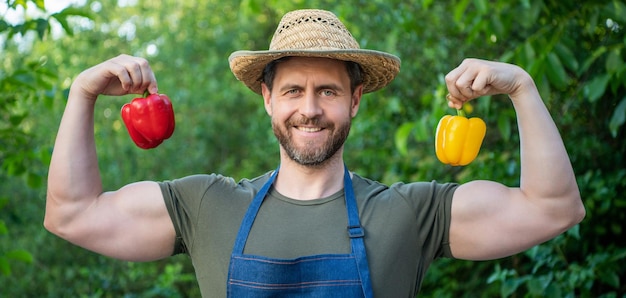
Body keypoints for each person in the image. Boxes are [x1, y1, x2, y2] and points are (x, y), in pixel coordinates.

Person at [45, 9, 585, 297]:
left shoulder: (411, 213)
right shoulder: (206, 205)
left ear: (355, 101)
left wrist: (523, 89)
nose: (310, 109)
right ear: (267, 100)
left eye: (327, 91)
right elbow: (71, 214)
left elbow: (552, 208)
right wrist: (82, 94)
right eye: (292, 91)